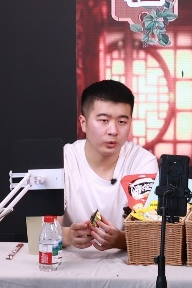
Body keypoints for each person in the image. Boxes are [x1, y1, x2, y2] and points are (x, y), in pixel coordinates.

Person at [63, 80, 158, 251]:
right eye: (104, 120)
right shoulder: (64, 160)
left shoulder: (143, 162)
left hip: (125, 262)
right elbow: (39, 229)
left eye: (122, 122)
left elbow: (150, 234)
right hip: (70, 261)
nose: (113, 131)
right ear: (83, 123)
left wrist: (120, 240)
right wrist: (68, 236)